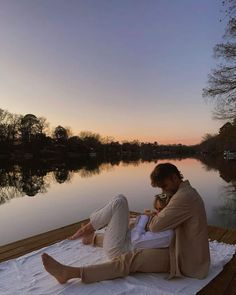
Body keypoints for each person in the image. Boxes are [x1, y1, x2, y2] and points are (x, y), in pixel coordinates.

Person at [41, 163, 210, 284]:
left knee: (129, 260)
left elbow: (156, 226)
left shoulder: (185, 196)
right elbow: (163, 222)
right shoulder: (183, 193)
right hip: (176, 246)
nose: (163, 191)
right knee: (130, 228)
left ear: (174, 178)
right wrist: (152, 217)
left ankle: (71, 273)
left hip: (184, 258)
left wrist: (150, 218)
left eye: (164, 186)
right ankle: (92, 237)